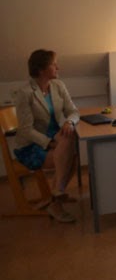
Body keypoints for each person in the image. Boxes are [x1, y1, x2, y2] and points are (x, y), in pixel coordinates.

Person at [14, 49, 79, 223]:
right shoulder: (25, 93)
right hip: (30, 145)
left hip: (55, 138)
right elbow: (26, 130)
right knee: (70, 158)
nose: (58, 67)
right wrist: (49, 143)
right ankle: (56, 201)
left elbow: (73, 111)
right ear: (41, 70)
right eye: (53, 64)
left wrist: (69, 122)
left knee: (69, 134)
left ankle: (56, 194)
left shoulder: (58, 86)